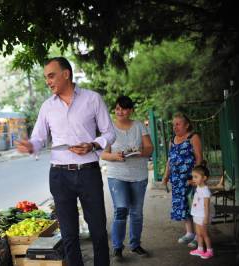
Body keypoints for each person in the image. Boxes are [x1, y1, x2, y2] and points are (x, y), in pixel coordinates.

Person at [15, 57, 116, 266]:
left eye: (51, 76)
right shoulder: (47, 107)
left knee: (98, 231)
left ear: (66, 74)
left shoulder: (92, 99)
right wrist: (31, 145)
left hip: (88, 171)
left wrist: (93, 145)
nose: (48, 81)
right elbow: (39, 137)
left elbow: (109, 132)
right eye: (45, 78)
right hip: (59, 175)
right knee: (69, 235)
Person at [101, 96, 153, 260]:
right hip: (117, 175)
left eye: (123, 108)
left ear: (130, 110)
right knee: (121, 209)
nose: (120, 111)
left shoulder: (138, 126)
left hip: (139, 175)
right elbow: (103, 154)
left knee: (136, 212)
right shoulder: (109, 128)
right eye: (117, 108)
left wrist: (139, 152)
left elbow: (149, 148)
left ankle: (135, 245)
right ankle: (117, 248)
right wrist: (114, 156)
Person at [162, 112, 203, 248]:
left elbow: (198, 157)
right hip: (177, 180)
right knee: (183, 206)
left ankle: (199, 236)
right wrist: (166, 176)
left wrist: (196, 178)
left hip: (190, 179)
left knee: (194, 206)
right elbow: (170, 160)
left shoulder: (193, 137)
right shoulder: (172, 140)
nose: (175, 127)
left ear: (187, 125)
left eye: (178, 124)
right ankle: (189, 233)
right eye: (173, 125)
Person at [189, 162, 214, 259]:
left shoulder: (206, 191)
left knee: (204, 234)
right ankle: (200, 249)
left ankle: (209, 251)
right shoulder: (199, 187)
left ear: (204, 178)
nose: (193, 179)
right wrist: (191, 182)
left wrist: (206, 218)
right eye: (193, 177)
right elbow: (194, 183)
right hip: (197, 214)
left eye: (196, 177)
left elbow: (206, 206)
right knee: (198, 234)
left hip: (203, 216)